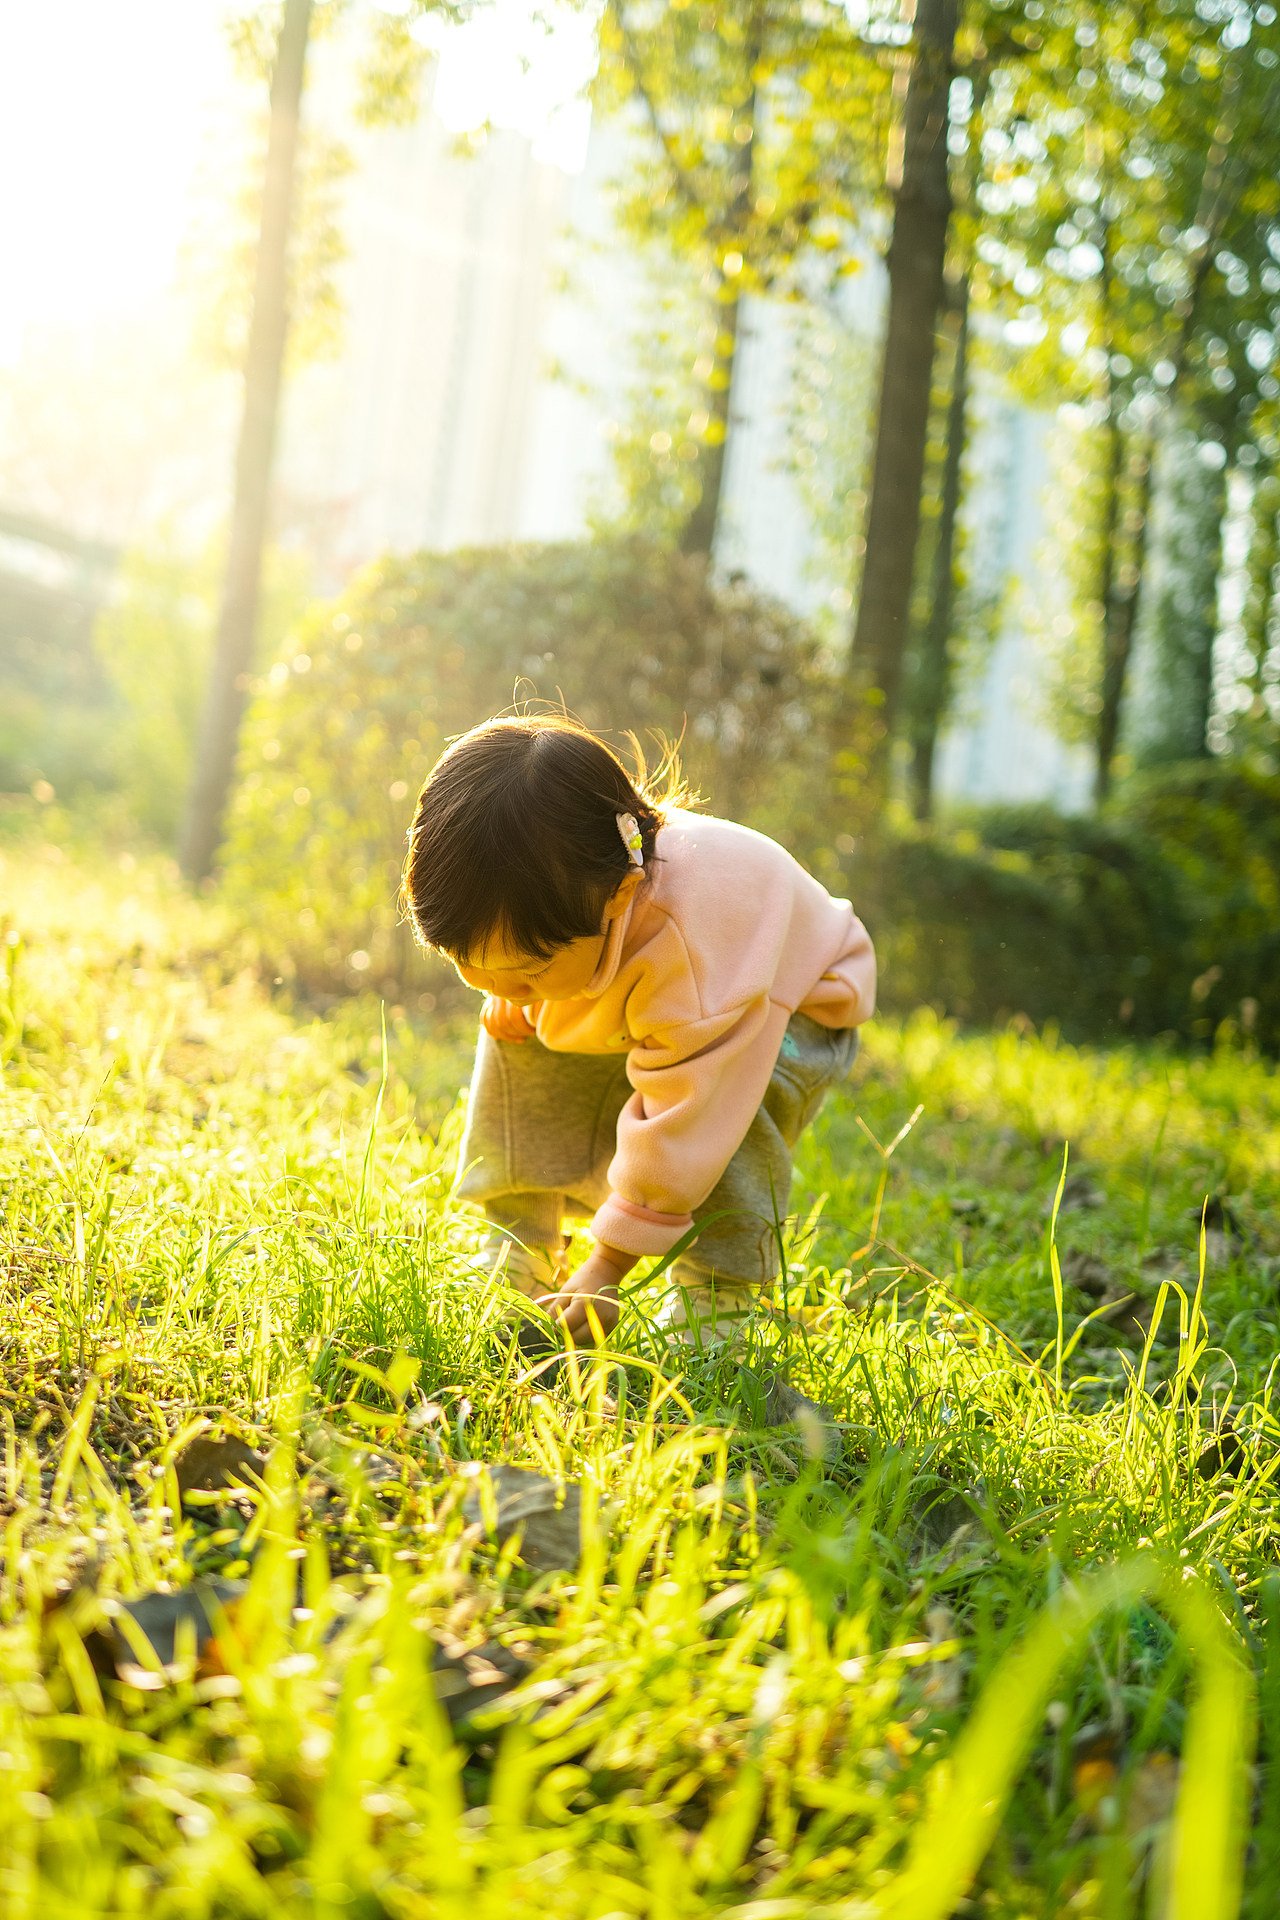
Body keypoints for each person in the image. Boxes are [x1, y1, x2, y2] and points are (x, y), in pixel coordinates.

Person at [401, 715, 876, 1350]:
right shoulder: (573, 901)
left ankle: (720, 1300)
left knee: (730, 1116)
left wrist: (609, 1266)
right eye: (466, 966)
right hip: (636, 980)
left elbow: (691, 1112)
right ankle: (520, 1239)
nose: (493, 987)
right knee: (521, 1030)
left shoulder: (699, 958)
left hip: (794, 1011)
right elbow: (521, 973)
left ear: (620, 895)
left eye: (524, 971)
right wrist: (522, 993)